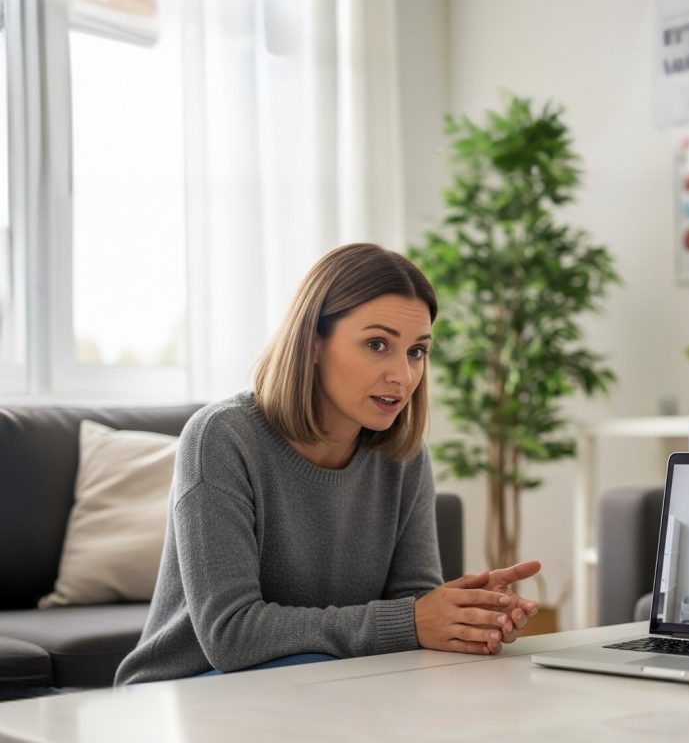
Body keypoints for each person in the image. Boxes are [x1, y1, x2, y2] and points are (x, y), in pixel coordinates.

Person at [115, 243, 541, 686]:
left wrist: (464, 617)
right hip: (185, 690)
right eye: (378, 345)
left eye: (416, 351)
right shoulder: (221, 437)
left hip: (325, 682)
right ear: (313, 342)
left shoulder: (404, 457)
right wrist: (411, 621)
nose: (403, 375)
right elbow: (231, 634)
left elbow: (411, 607)